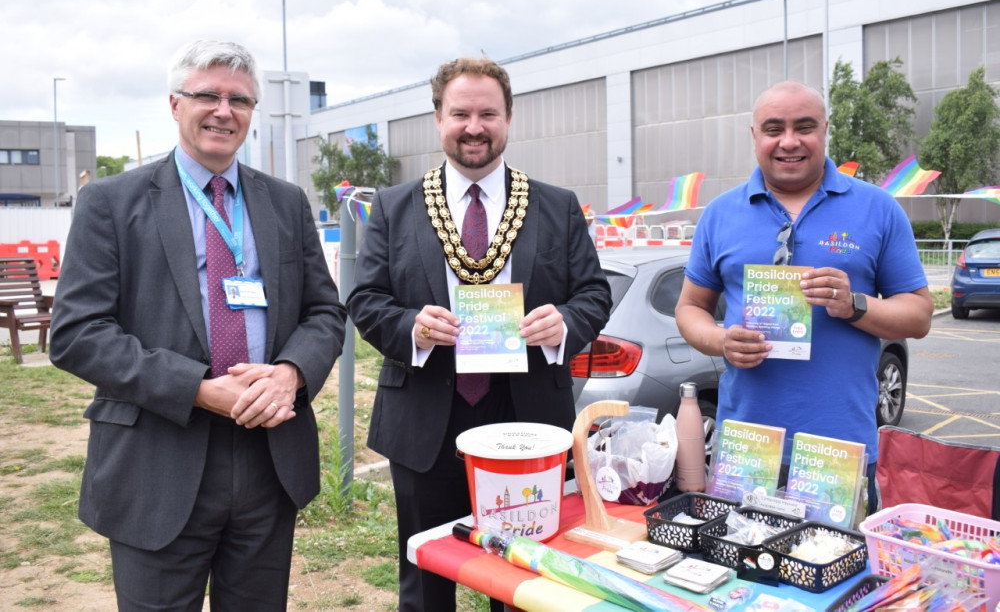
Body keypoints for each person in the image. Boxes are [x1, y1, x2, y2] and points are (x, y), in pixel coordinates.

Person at [50, 39, 346, 611]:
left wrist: (290, 373)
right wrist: (198, 389)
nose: (223, 111)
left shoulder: (285, 202)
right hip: (157, 461)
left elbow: (324, 312)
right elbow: (77, 332)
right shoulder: (111, 202)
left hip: (267, 459)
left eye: (239, 99)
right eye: (206, 94)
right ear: (173, 104)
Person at [346, 57, 612, 611]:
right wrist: (411, 327)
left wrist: (564, 323)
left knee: (525, 581)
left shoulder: (555, 206)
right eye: (460, 113)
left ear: (508, 119)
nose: (474, 126)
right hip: (426, 418)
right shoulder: (395, 207)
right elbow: (364, 300)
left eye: (487, 113)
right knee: (425, 579)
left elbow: (594, 294)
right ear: (437, 118)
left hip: (527, 418)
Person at [675, 80, 933, 509]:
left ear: (825, 130)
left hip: (837, 448)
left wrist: (855, 305)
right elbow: (689, 308)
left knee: (832, 570)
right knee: (741, 567)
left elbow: (920, 316)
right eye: (774, 128)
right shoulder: (720, 214)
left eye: (805, 127)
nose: (789, 142)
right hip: (747, 447)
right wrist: (720, 340)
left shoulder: (878, 208)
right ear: (754, 135)